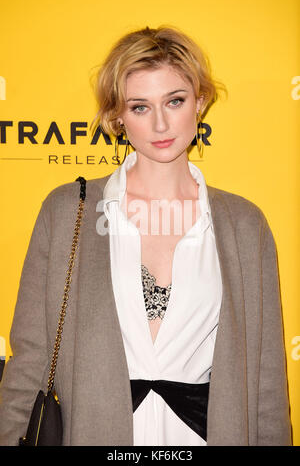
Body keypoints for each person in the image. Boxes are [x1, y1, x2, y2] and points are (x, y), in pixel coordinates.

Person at [0, 25, 292, 446]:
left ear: (200, 101)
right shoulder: (68, 212)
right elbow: (29, 362)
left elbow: (266, 384)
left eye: (174, 101)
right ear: (117, 116)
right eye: (139, 107)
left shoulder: (244, 225)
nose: (160, 123)